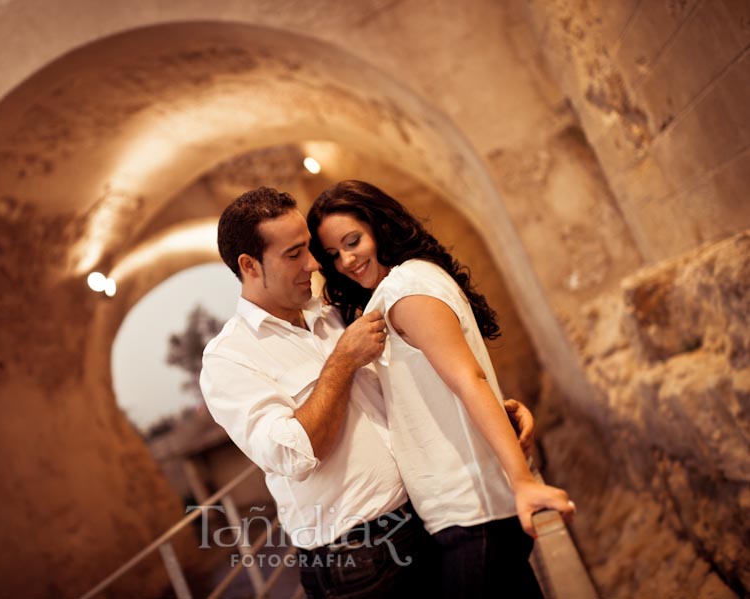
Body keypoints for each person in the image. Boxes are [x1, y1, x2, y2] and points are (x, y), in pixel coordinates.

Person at [200, 187, 536, 598]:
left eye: (309, 248)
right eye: (293, 255)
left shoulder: (336, 314)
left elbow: (403, 397)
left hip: (425, 521)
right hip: (358, 561)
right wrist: (341, 362)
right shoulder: (229, 359)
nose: (312, 264)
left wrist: (485, 413)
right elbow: (291, 454)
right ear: (250, 265)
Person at [308, 180, 575, 598]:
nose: (346, 260)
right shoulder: (406, 285)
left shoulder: (405, 290)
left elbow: (468, 378)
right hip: (468, 514)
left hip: (471, 515)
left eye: (353, 241)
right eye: (332, 254)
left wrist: (524, 481)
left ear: (379, 226)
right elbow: (445, 382)